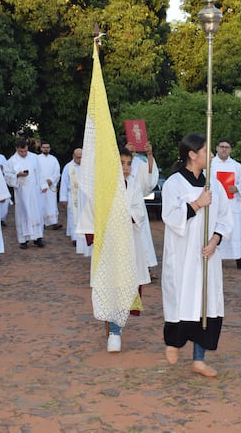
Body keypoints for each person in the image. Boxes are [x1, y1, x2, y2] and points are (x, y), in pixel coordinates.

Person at [161, 132, 233, 378]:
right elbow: (170, 217)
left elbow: (225, 216)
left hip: (206, 256)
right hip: (183, 256)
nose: (211, 156)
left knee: (206, 304)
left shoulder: (213, 183)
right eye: (206, 152)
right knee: (182, 301)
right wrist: (197, 204)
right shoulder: (174, 184)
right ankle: (173, 342)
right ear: (192, 155)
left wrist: (215, 240)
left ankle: (199, 359)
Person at [105, 148, 153, 352]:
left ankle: (116, 329)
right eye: (122, 164)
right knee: (112, 286)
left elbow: (138, 213)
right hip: (111, 244)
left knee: (126, 286)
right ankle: (114, 331)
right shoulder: (106, 187)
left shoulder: (133, 185)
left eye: (128, 164)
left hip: (130, 242)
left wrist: (123, 214)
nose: (125, 168)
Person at [210, 138, 241, 269]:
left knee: (236, 231)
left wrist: (237, 188)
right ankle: (214, 257)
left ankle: (240, 259)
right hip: (216, 205)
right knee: (216, 229)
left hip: (232, 204)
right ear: (217, 148)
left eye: (227, 147)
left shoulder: (236, 166)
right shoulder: (210, 164)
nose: (224, 149)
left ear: (230, 150)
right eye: (222, 146)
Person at [118, 136, 159, 273]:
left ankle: (144, 267)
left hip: (137, 209)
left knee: (141, 239)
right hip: (120, 209)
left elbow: (149, 179)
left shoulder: (139, 163)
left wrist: (149, 154)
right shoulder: (116, 162)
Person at [6, 139, 45, 249]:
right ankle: (23, 240)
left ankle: (38, 238)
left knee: (36, 212)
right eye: (21, 151)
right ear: (16, 149)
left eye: (25, 151)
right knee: (23, 214)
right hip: (22, 192)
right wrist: (17, 175)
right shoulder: (11, 161)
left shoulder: (34, 157)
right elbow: (7, 176)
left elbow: (40, 172)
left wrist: (43, 185)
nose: (23, 153)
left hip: (34, 191)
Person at [59, 147, 91, 255]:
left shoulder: (88, 167)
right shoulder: (68, 167)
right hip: (73, 196)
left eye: (82, 157)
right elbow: (63, 183)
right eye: (78, 157)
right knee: (73, 216)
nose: (80, 160)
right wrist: (63, 198)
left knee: (84, 216)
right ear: (73, 156)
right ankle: (75, 238)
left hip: (86, 196)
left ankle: (84, 237)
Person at [36, 141, 62, 230]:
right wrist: (43, 183)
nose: (46, 149)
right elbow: (35, 172)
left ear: (49, 148)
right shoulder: (36, 158)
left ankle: (54, 222)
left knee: (52, 204)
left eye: (47, 147)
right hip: (40, 186)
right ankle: (41, 222)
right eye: (44, 147)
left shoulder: (54, 159)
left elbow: (57, 172)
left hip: (51, 186)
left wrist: (50, 180)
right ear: (41, 148)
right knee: (41, 203)